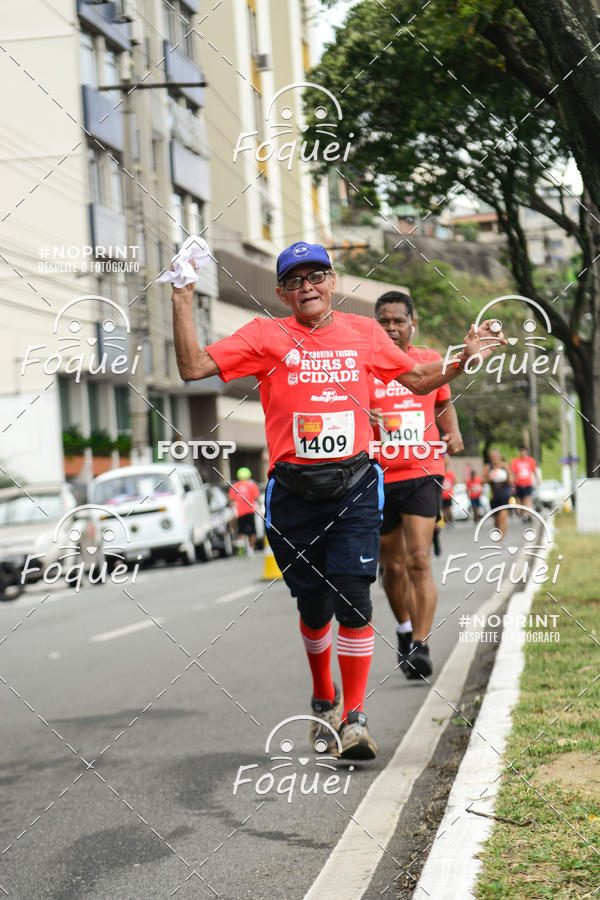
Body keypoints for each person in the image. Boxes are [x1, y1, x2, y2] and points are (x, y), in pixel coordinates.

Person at [171, 240, 504, 760]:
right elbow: (192, 367)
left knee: (353, 598)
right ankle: (323, 697)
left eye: (317, 276)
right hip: (293, 492)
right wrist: (183, 295)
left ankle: (353, 718)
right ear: (282, 292)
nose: (307, 286)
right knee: (313, 606)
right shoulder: (265, 335)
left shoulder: (365, 334)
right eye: (295, 280)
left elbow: (418, 378)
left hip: (353, 486)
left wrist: (463, 358)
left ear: (332, 281)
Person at [369, 291, 463, 680]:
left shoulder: (428, 361)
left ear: (413, 323)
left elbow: (442, 401)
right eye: (384, 321)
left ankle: (421, 645)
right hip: (376, 475)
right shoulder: (366, 364)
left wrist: (452, 431)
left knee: (418, 558)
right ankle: (405, 631)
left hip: (422, 471)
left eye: (398, 321)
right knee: (391, 566)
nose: (391, 328)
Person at [228, 467, 260, 555]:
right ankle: (251, 550)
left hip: (240, 513)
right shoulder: (252, 485)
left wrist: (232, 511)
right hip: (250, 511)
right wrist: (260, 507)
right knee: (252, 532)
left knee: (241, 531)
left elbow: (230, 500)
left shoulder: (234, 486)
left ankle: (241, 548)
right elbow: (257, 498)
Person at [483, 449, 514, 538]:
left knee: (503, 515)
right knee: (496, 520)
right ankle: (499, 530)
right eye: (492, 457)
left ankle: (502, 537)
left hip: (505, 493)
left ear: (499, 457)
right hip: (494, 495)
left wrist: (505, 477)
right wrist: (490, 478)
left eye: (496, 456)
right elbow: (483, 480)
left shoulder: (505, 466)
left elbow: (511, 479)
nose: (494, 458)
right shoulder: (488, 467)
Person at [510, 447, 538, 519]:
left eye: (524, 452)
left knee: (527, 498)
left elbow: (534, 470)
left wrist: (537, 479)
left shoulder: (530, 461)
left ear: (526, 452)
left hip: (527, 483)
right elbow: (512, 472)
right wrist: (512, 481)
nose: (522, 453)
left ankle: (526, 513)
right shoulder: (515, 461)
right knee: (519, 499)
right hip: (518, 484)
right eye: (521, 452)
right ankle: (522, 512)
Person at [441, 458, 457, 524]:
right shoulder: (441, 474)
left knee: (448, 508)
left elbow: (454, 482)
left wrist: (451, 487)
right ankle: (447, 521)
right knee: (444, 509)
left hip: (448, 494)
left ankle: (450, 520)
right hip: (442, 495)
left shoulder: (450, 474)